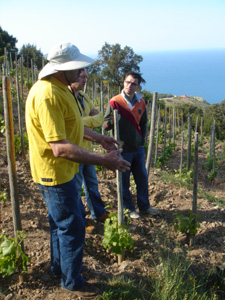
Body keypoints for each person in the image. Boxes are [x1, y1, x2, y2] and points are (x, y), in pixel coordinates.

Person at [25, 42, 130, 298]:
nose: (82, 70)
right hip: (56, 173)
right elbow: (59, 146)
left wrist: (99, 138)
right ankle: (72, 282)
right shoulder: (49, 94)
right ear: (63, 69)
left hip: (61, 172)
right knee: (72, 226)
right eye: (77, 66)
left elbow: (72, 128)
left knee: (59, 224)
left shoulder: (60, 89)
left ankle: (58, 269)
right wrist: (104, 160)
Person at [104, 72, 161, 219]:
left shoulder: (141, 102)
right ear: (123, 83)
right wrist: (114, 120)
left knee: (142, 178)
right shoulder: (114, 102)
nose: (129, 86)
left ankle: (144, 207)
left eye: (133, 83)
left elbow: (143, 124)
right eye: (127, 82)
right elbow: (105, 125)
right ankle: (128, 209)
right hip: (122, 149)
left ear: (138, 86)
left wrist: (142, 143)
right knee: (124, 180)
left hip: (138, 149)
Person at [70, 69, 109, 233]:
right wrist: (89, 120)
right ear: (72, 76)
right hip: (74, 151)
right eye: (81, 76)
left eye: (86, 77)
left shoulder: (84, 97)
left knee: (92, 183)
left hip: (88, 150)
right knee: (76, 188)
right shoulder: (68, 98)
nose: (84, 79)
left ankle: (98, 213)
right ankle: (81, 219)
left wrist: (87, 121)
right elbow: (74, 123)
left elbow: (100, 118)